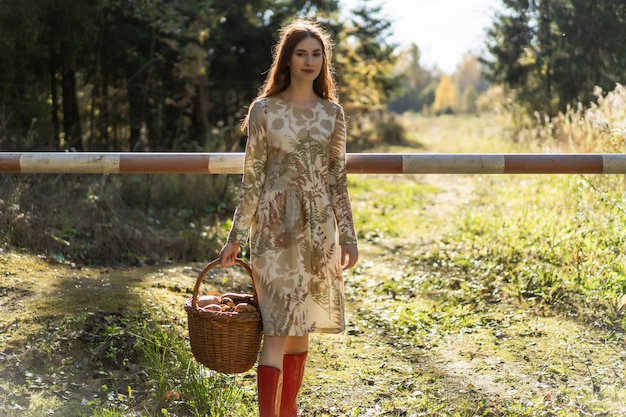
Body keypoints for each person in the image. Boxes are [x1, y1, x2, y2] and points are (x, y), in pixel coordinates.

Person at [218, 18, 359, 417]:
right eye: (301, 53)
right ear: (288, 58)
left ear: (323, 61)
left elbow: (337, 180)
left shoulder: (333, 113)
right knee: (277, 329)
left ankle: (288, 412)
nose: (309, 61)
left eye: (316, 54)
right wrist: (235, 238)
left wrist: (348, 236)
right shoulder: (264, 111)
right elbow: (252, 180)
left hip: (318, 232)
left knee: (301, 332)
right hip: (274, 229)